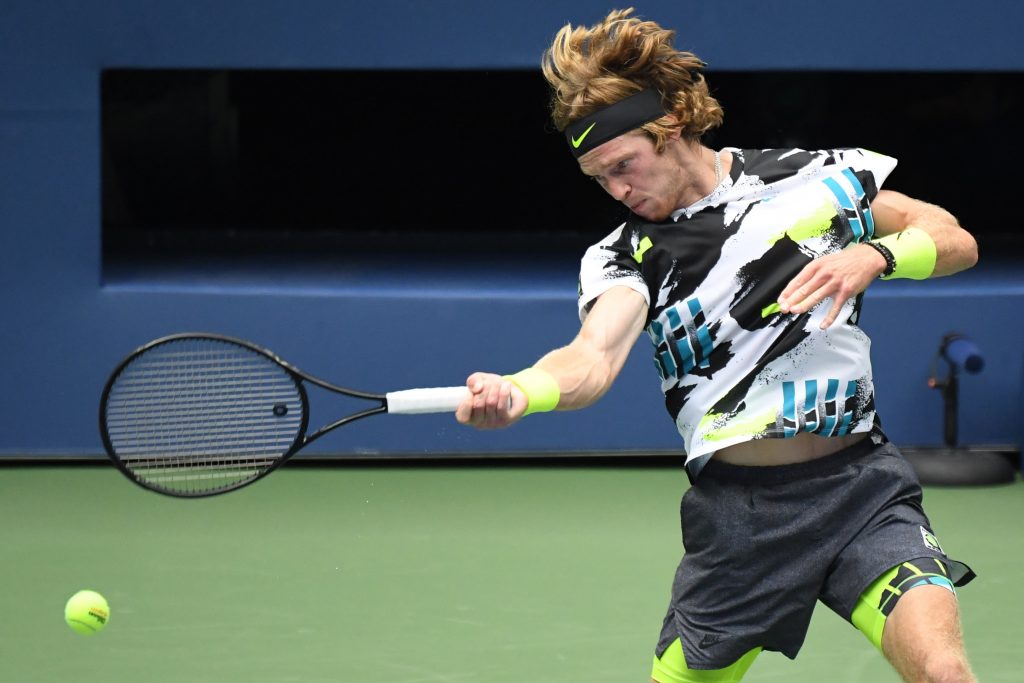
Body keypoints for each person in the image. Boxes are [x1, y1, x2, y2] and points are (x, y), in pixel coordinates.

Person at [455, 7, 980, 683]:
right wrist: (521, 390)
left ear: (670, 124)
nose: (618, 190)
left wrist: (876, 254)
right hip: (741, 521)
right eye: (600, 179)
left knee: (945, 670)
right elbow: (591, 358)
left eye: (625, 165)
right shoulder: (627, 254)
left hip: (864, 489)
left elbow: (952, 238)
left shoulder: (810, 179)